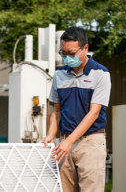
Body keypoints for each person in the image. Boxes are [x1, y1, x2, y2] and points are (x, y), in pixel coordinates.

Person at [40, 26, 111, 192]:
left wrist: (69, 141)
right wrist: (51, 135)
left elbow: (93, 114)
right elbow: (56, 111)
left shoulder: (101, 73)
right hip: (64, 144)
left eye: (71, 53)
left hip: (90, 143)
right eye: (63, 53)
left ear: (85, 48)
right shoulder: (59, 75)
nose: (67, 57)